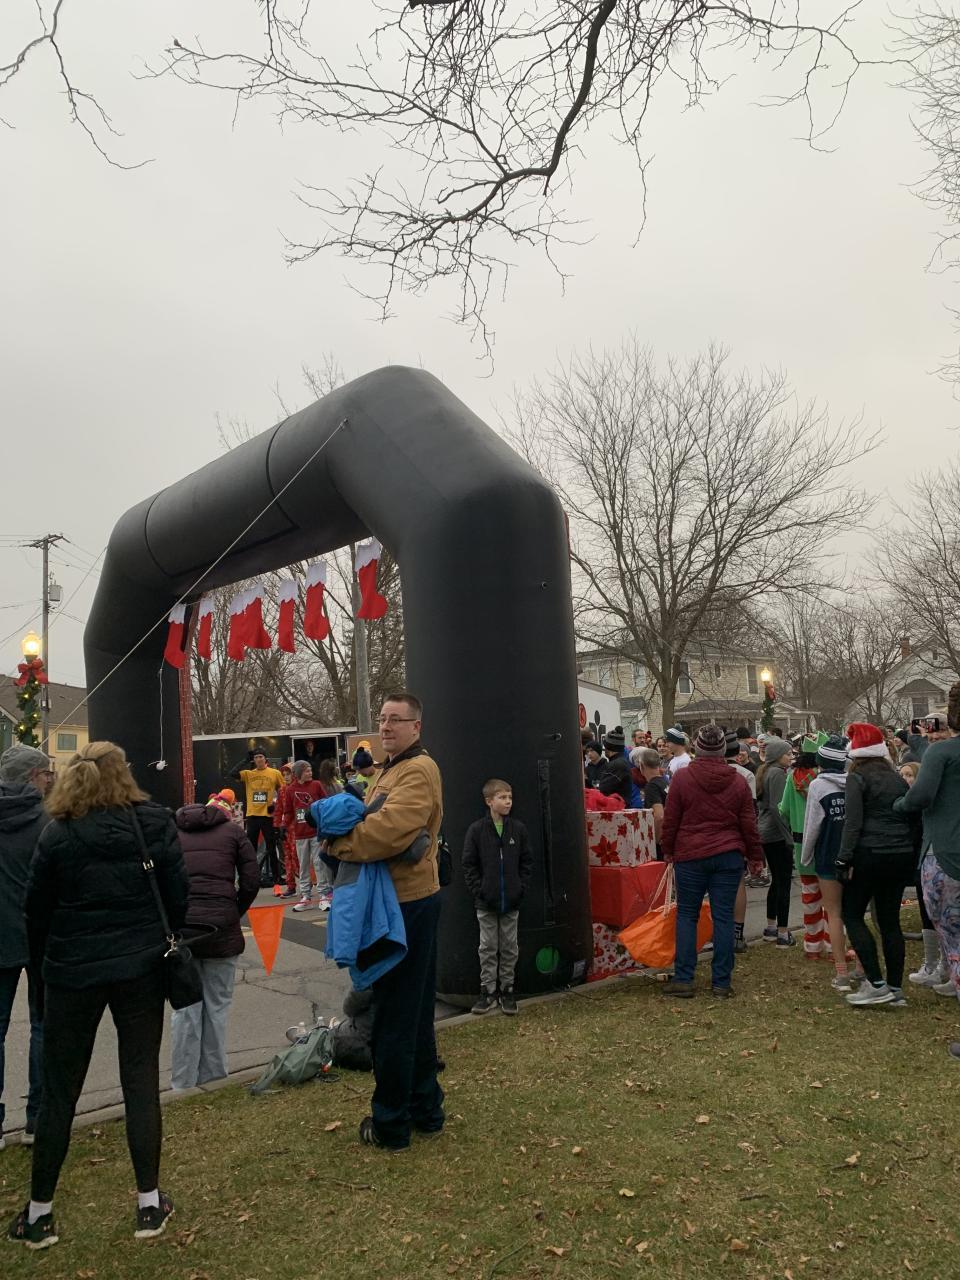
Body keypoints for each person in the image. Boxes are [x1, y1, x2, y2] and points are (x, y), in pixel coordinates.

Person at [8, 742, 188, 1249]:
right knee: (140, 1081)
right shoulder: (153, 824)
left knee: (60, 1092)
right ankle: (148, 1203)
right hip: (140, 968)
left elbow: (36, 910)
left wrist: (45, 969)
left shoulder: (58, 833)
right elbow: (178, 896)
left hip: (72, 972)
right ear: (123, 773)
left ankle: (39, 1212)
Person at [326, 691, 444, 1151]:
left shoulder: (418, 769)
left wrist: (336, 842)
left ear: (417, 726)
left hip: (408, 904)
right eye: (382, 718)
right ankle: (425, 1109)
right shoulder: (389, 770)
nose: (386, 726)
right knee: (412, 1015)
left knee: (394, 1016)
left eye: (396, 719)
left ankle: (391, 1124)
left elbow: (385, 831)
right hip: (398, 902)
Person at [660, 724, 763, 997]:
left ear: (697, 747)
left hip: (690, 854)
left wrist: (667, 850)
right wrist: (755, 856)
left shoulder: (682, 778)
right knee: (723, 917)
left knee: (687, 915)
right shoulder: (738, 781)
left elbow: (671, 820)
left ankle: (684, 978)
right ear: (722, 749)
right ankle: (721, 982)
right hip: (728, 854)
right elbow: (748, 823)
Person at [170, 792, 259, 1091]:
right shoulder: (233, 832)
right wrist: (233, 911)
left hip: (183, 932)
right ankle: (214, 1076)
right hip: (222, 930)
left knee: (185, 1008)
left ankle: (182, 1082)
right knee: (217, 1006)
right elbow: (251, 881)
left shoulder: (173, 833)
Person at [893, 684, 960, 1052]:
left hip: (947, 855)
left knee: (955, 938)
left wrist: (900, 804)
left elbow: (920, 795)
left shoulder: (943, 753)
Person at [838, 723, 918, 1008]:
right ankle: (895, 988)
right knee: (889, 921)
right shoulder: (896, 778)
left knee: (852, 914)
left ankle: (875, 982)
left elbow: (853, 822)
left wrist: (843, 858)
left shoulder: (857, 778)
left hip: (869, 851)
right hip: (900, 852)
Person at [0, 745, 53, 1151]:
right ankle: (37, 1118)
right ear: (33, 776)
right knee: (42, 1027)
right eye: (47, 773)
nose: (51, 779)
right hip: (41, 937)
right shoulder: (48, 824)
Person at [462, 779, 533, 1015]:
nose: (508, 802)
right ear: (489, 801)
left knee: (510, 946)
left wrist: (520, 888)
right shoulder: (476, 830)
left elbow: (527, 861)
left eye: (510, 797)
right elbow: (469, 864)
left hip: (511, 901)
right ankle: (488, 991)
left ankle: (507, 989)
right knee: (488, 947)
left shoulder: (518, 829)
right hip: (486, 902)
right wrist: (480, 890)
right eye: (502, 797)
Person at [800, 735, 854, 990]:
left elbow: (812, 824)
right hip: (854, 854)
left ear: (821, 762)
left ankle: (842, 973)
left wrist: (806, 856)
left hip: (828, 854)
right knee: (855, 913)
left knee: (833, 912)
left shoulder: (818, 786)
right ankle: (862, 967)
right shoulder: (855, 781)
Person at [779, 735, 825, 959]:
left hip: (800, 842)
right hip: (824, 842)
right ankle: (831, 943)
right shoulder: (824, 777)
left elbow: (784, 809)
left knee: (810, 896)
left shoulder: (792, 777)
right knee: (831, 899)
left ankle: (812, 946)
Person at [756, 736, 796, 947]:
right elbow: (777, 807)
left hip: (765, 832)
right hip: (776, 834)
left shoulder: (765, 771)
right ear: (778, 756)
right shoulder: (778, 774)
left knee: (776, 881)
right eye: (788, 754)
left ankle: (771, 927)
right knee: (784, 883)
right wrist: (788, 836)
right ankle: (783, 932)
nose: (791, 757)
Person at [230, 748, 285, 892]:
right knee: (250, 849)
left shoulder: (275, 773)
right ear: (253, 760)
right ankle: (251, 878)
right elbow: (232, 773)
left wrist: (276, 804)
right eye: (256, 757)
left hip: (267, 816)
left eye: (261, 756)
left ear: (265, 758)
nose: (259, 759)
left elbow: (284, 792)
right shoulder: (249, 774)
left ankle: (277, 879)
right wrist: (245, 760)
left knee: (271, 848)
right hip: (253, 815)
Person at [284, 759, 336, 912]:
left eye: (310, 770)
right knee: (303, 866)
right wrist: (284, 826)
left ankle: (324, 896)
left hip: (316, 832)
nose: (310, 773)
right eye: (307, 771)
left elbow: (325, 803)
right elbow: (288, 811)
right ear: (299, 773)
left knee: (319, 864)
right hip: (300, 834)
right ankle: (305, 896)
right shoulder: (290, 789)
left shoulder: (316, 785)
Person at [723, 730, 755, 954]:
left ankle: (719, 931)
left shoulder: (701, 772)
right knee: (738, 883)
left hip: (709, 835)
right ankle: (736, 933)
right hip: (736, 834)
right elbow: (751, 811)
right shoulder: (745, 775)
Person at [633, 748, 668, 855]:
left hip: (661, 842)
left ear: (641, 766)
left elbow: (659, 816)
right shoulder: (664, 782)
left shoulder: (652, 786)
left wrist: (654, 843)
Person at [275, 763, 299, 898]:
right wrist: (278, 827)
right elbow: (279, 809)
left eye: (288, 774)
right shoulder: (282, 790)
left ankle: (307, 884)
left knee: (297, 857)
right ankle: (291, 886)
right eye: (284, 775)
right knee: (288, 857)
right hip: (286, 828)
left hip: (299, 828)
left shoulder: (299, 788)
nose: (286, 777)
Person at [596, 729, 633, 805]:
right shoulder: (621, 762)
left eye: (605, 746)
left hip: (617, 809)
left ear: (609, 747)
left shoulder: (616, 765)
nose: (604, 749)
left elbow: (603, 789)